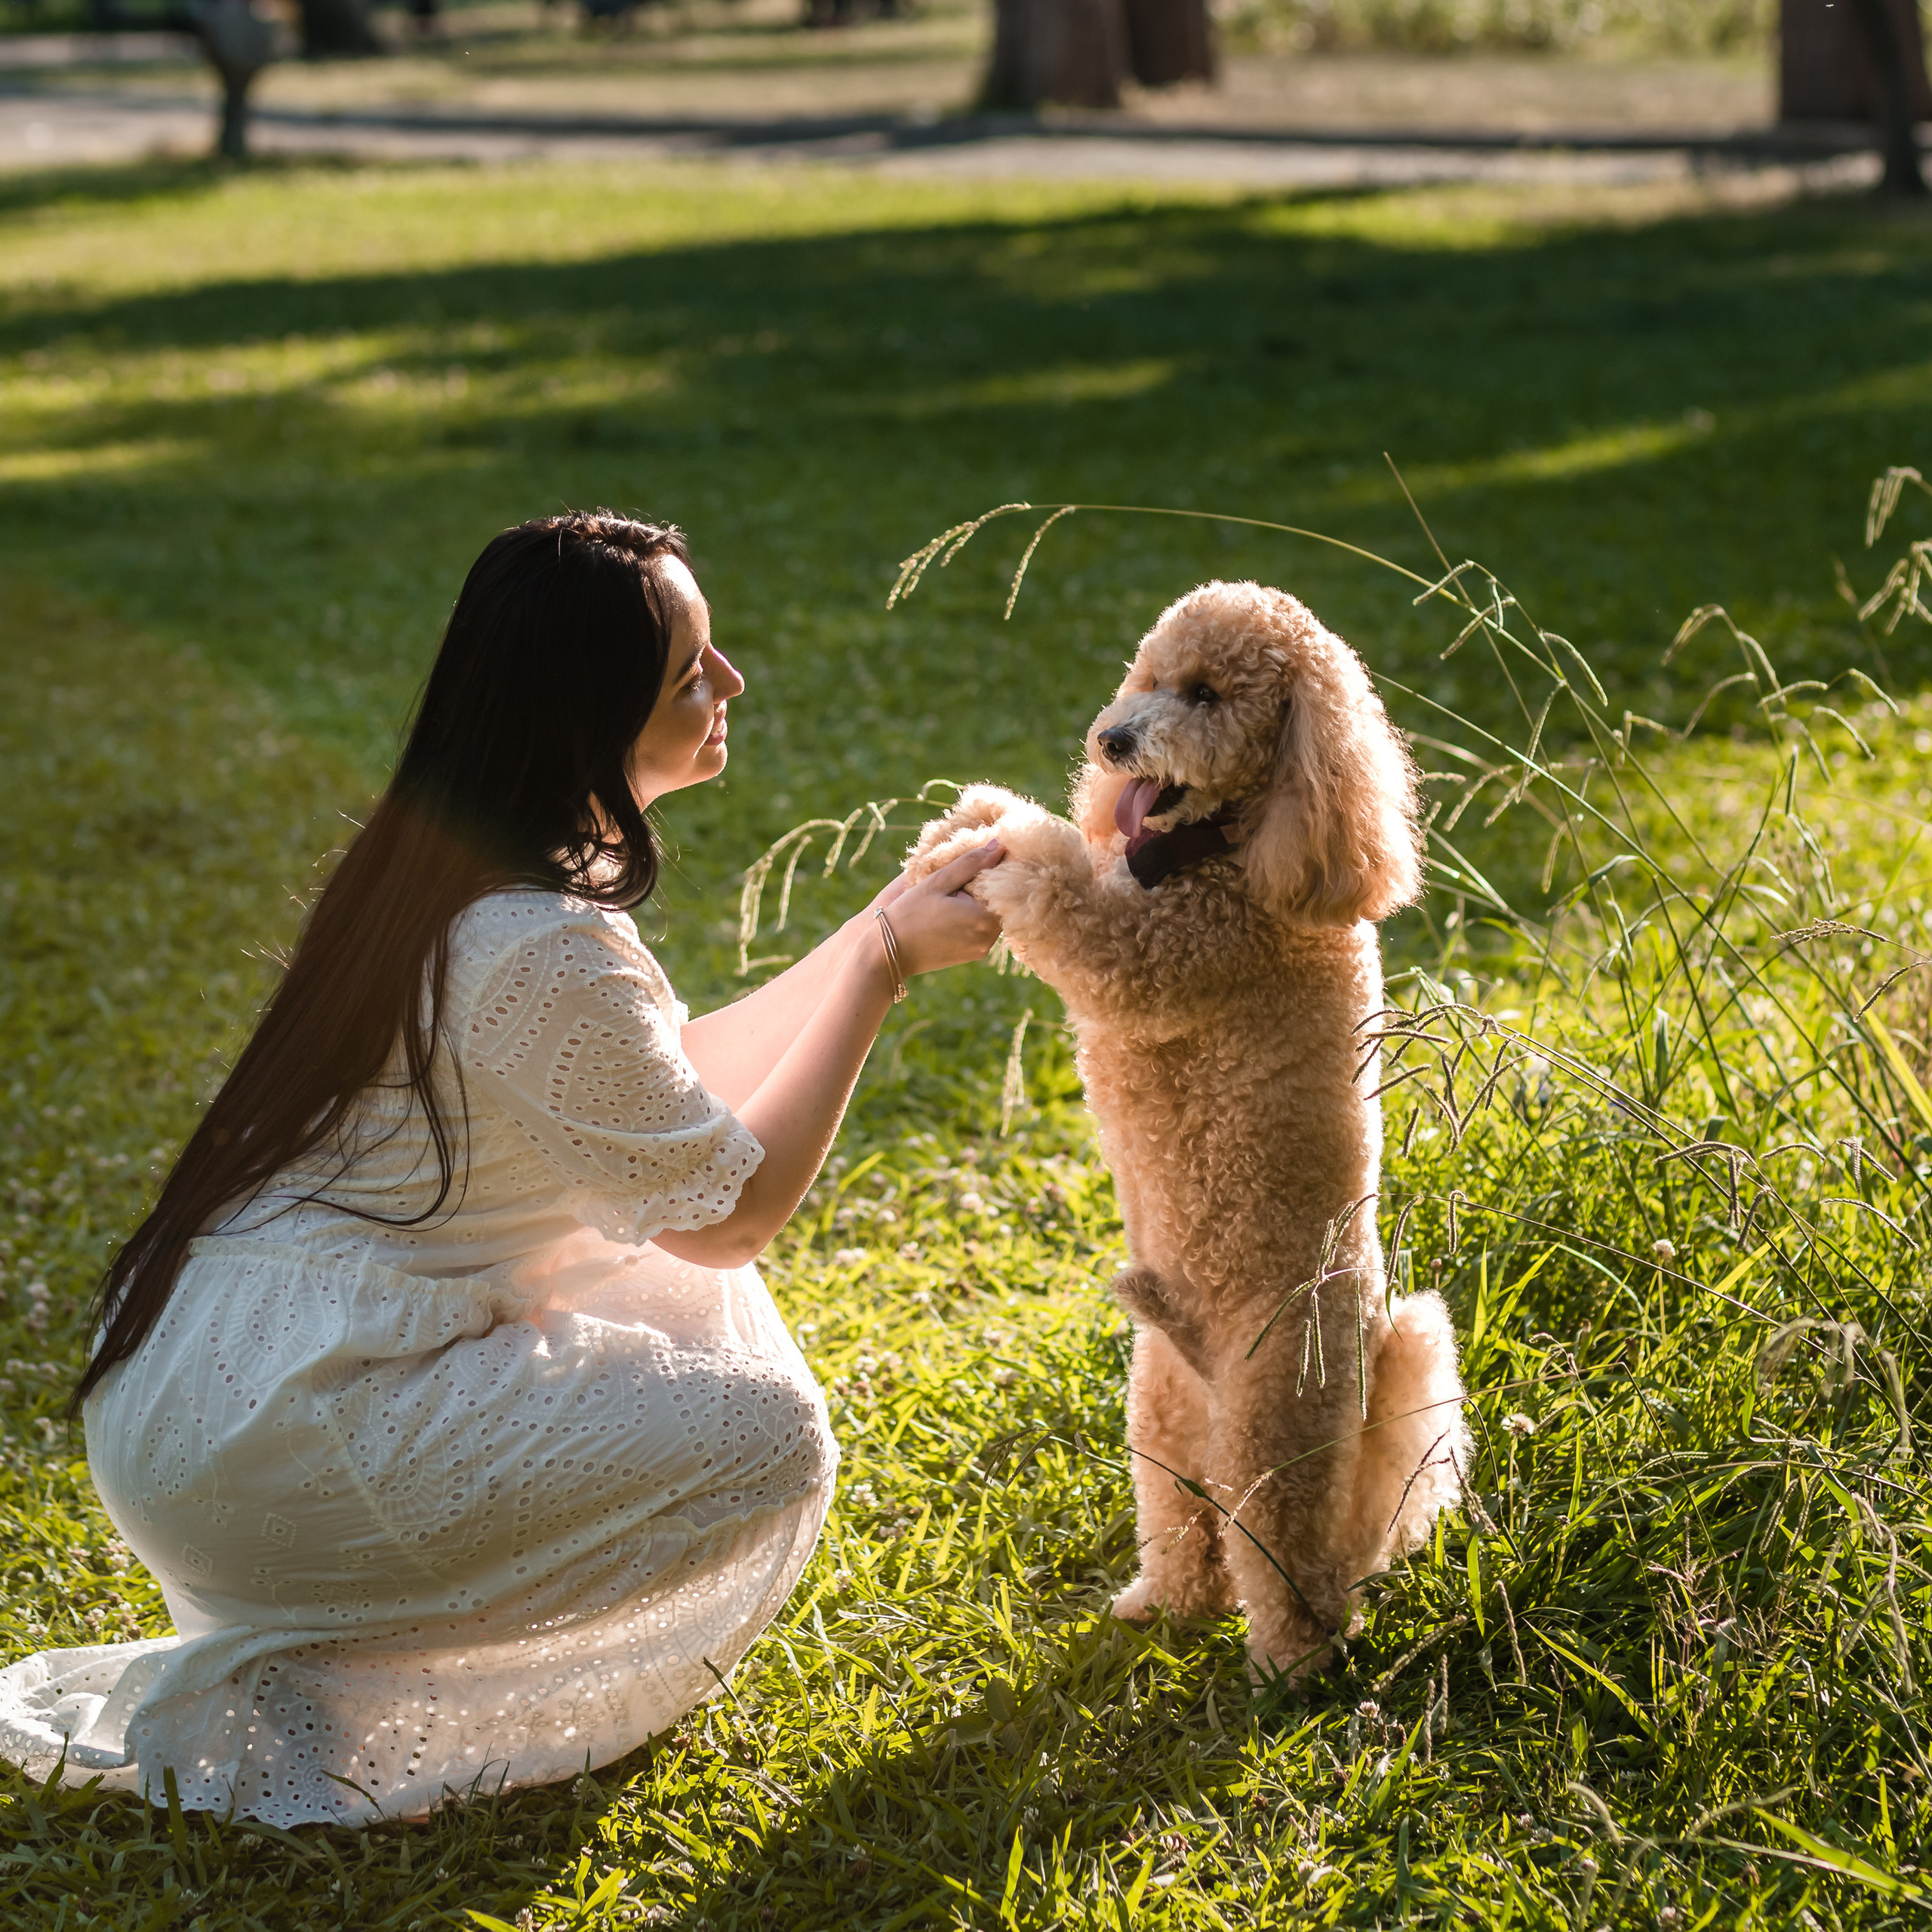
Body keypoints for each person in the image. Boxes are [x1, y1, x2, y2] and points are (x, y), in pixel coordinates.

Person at [0, 512, 1003, 1828]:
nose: (731, 684)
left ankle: (336, 1631)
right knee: (766, 1433)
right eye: (690, 671)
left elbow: (664, 1090)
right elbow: (731, 1213)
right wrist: (881, 969)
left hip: (211, 1390)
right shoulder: (536, 938)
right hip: (279, 1431)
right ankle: (356, 1686)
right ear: (587, 715)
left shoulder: (470, 871)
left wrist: (876, 923)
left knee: (685, 1307)